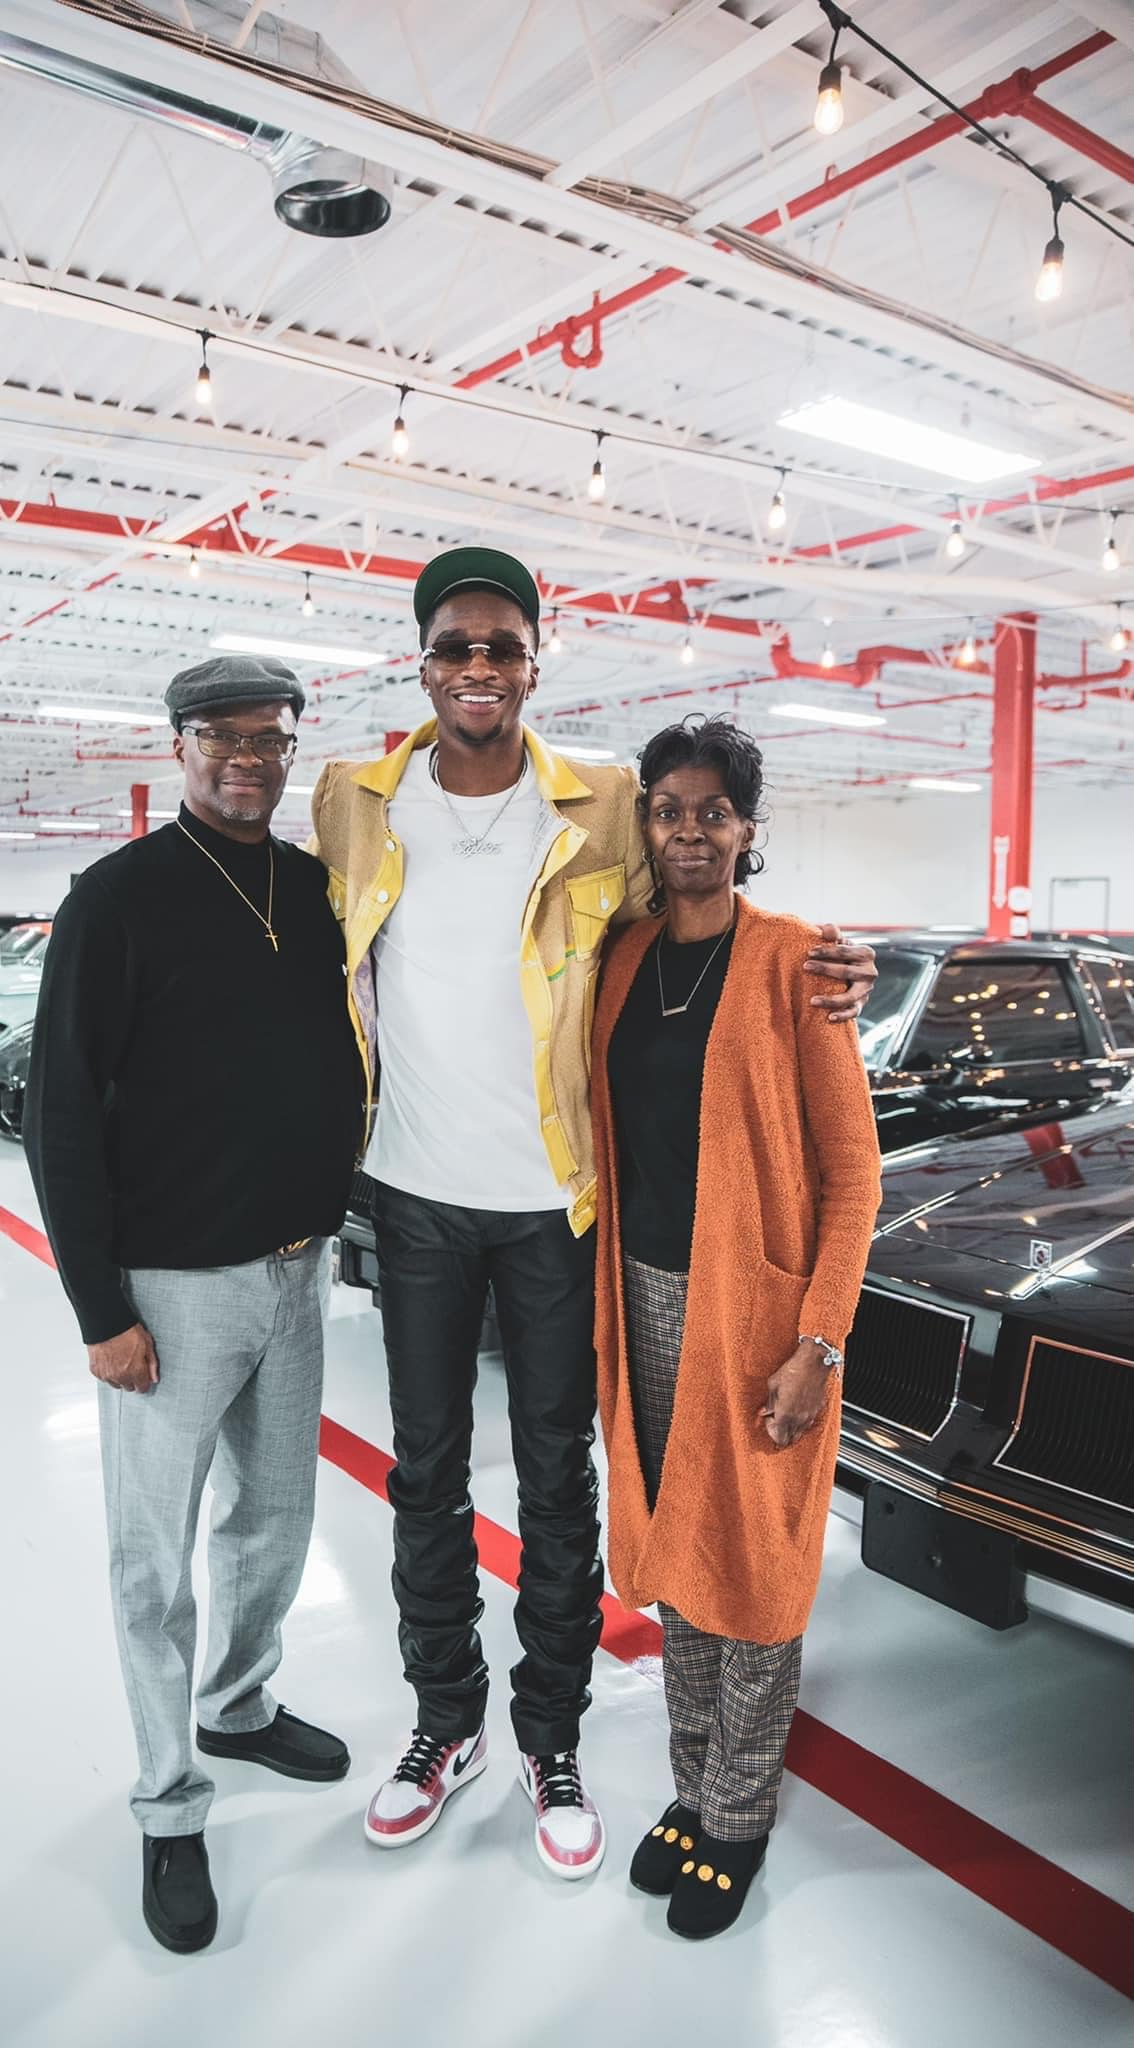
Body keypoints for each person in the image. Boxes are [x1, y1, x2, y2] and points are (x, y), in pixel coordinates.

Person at [310, 548, 877, 1880]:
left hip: (559, 1209)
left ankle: (550, 1731)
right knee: (429, 1474)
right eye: (455, 648)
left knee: (565, 1484)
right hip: (416, 1197)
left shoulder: (605, 805)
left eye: (501, 648)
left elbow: (718, 920)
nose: (477, 670)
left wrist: (831, 959)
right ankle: (443, 1722)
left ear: (531, 661)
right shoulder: (350, 797)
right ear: (424, 663)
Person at [23, 656, 362, 1954]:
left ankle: (239, 1702)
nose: (245, 758)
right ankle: (169, 1806)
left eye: (268, 739)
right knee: (150, 1560)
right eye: (219, 737)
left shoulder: (315, 889)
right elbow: (62, 1109)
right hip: (168, 1291)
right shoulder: (112, 902)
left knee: (274, 1522)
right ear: (175, 747)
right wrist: (98, 1306)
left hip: (294, 1270)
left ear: (290, 750)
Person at [590, 714, 882, 1939]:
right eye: (669, 808)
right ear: (646, 823)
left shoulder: (797, 960)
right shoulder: (623, 954)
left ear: (747, 826)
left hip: (757, 1317)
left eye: (714, 809)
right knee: (674, 1544)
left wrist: (818, 1342)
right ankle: (689, 1781)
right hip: (643, 1296)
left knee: (755, 1565)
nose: (690, 828)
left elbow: (854, 1176)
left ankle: (738, 1813)